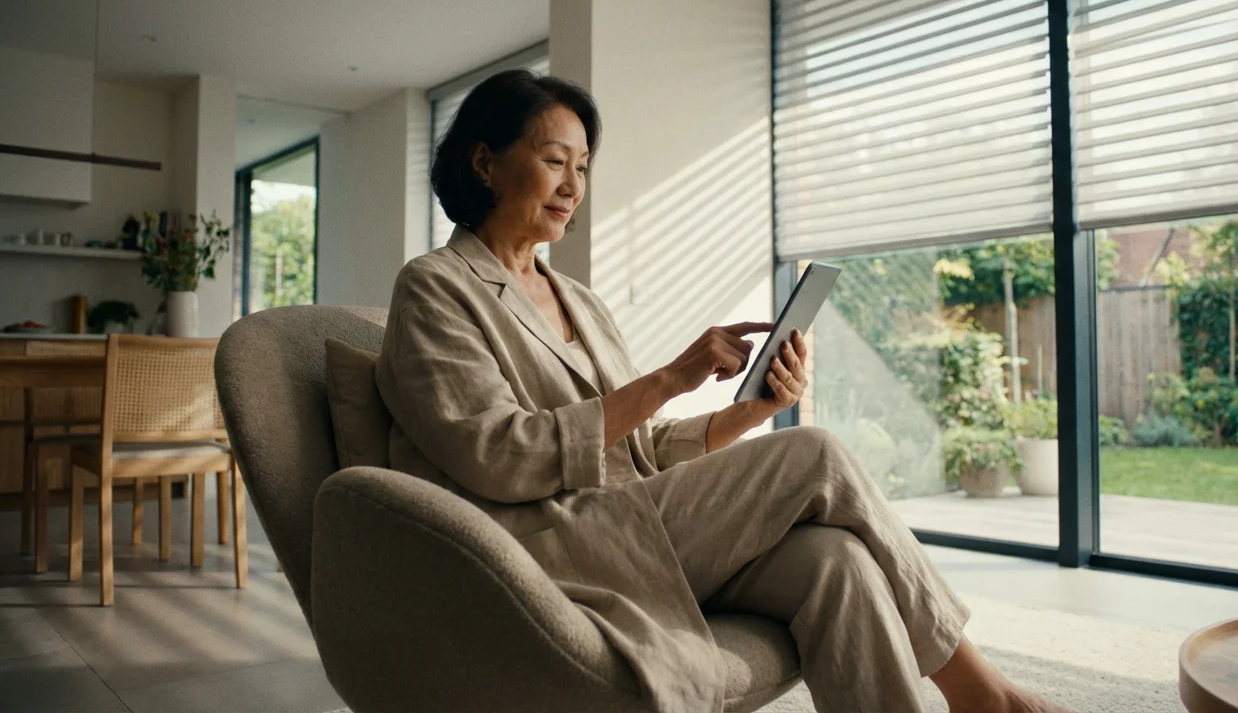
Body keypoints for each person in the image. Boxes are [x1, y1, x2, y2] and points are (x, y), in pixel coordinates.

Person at [375, 69, 1072, 713]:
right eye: (555, 161)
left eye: (583, 167)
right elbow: (496, 455)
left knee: (836, 561)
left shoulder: (577, 300)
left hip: (634, 520)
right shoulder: (437, 286)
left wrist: (749, 412)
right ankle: (982, 695)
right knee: (817, 454)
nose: (574, 186)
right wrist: (671, 378)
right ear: (484, 161)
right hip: (549, 548)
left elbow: (637, 448)